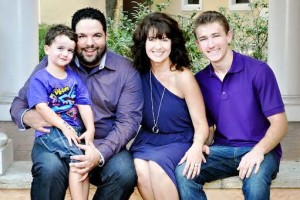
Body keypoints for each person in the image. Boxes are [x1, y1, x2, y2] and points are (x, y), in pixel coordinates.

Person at [10, 7, 143, 200]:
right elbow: (18, 105)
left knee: (124, 174)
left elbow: (128, 122)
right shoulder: (54, 63)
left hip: (103, 141)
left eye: (97, 35)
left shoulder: (126, 70)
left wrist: (98, 153)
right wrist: (30, 116)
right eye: (82, 36)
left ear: (106, 35)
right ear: (74, 38)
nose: (90, 43)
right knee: (49, 170)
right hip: (56, 141)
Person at [175, 11, 288, 200]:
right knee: (184, 172)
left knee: (256, 180)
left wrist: (258, 151)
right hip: (223, 150)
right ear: (198, 44)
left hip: (261, 149)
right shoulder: (200, 80)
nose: (210, 44)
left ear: (229, 35)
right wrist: (201, 145)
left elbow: (280, 124)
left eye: (216, 36)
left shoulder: (259, 71)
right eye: (204, 39)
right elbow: (208, 127)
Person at [130, 12, 209, 200]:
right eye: (152, 40)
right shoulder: (138, 74)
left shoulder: (183, 76)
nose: (158, 46)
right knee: (139, 167)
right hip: (147, 139)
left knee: (157, 167)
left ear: (173, 43)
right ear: (144, 43)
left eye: (164, 40)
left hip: (179, 140)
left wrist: (197, 147)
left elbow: (201, 123)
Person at [27, 24, 94, 200]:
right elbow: (41, 107)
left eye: (70, 50)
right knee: (79, 159)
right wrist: (63, 126)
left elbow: (83, 103)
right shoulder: (40, 78)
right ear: (47, 49)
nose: (66, 54)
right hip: (51, 131)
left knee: (82, 160)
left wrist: (91, 129)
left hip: (72, 130)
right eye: (60, 48)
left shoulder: (73, 78)